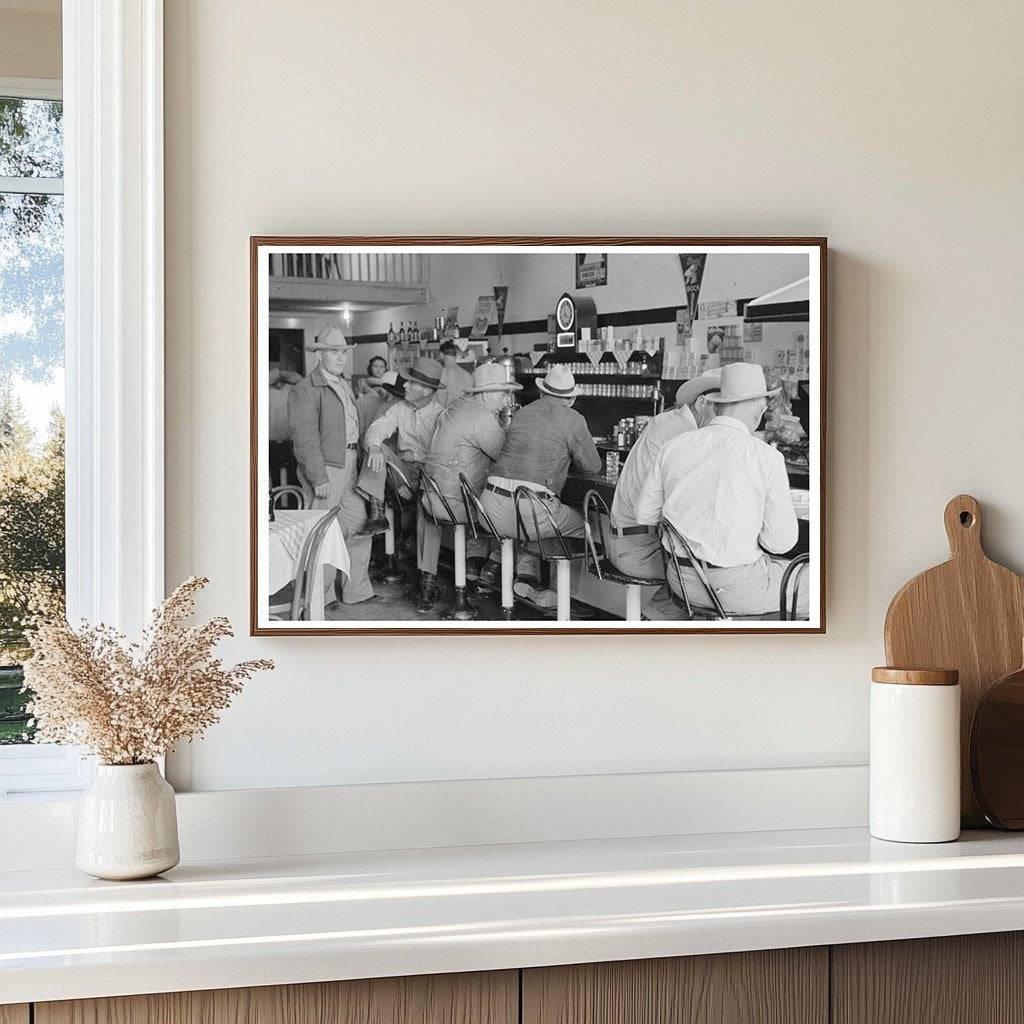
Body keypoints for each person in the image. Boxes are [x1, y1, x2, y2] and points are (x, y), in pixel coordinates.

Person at [635, 362, 804, 618]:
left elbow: (644, 514)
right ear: (757, 406)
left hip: (681, 581)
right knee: (817, 582)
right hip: (735, 588)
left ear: (719, 403)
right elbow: (781, 543)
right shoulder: (765, 456)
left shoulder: (675, 445)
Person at [480, 365, 601, 610]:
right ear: (571, 398)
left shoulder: (523, 412)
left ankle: (527, 577)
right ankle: (558, 596)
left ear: (542, 392)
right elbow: (593, 466)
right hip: (530, 509)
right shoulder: (573, 418)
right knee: (582, 526)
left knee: (531, 524)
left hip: (489, 507)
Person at [287, 327, 383, 608]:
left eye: (343, 352)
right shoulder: (305, 389)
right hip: (327, 468)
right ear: (319, 355)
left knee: (359, 525)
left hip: (350, 463)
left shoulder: (343, 383)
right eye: (334, 352)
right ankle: (321, 594)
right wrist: (318, 477)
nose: (341, 358)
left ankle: (357, 589)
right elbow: (305, 438)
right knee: (323, 533)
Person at [416, 363, 521, 611]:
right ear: (484, 394)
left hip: (432, 498)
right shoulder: (481, 417)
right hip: (456, 504)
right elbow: (505, 455)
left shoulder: (455, 407)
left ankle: (473, 566)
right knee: (518, 514)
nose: (506, 399)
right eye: (502, 393)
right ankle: (494, 569)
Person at [606, 377, 720, 582]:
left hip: (624, 541)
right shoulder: (684, 433)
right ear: (701, 403)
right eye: (719, 410)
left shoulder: (668, 420)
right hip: (640, 550)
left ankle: (657, 606)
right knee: (710, 577)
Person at [359, 355, 446, 509]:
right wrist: (374, 448)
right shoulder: (400, 408)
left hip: (428, 476)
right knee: (377, 448)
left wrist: (415, 486)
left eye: (411, 382)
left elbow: (441, 462)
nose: (405, 385)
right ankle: (376, 512)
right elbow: (379, 427)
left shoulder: (441, 416)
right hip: (402, 469)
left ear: (426, 391)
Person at [438, 339, 473, 406]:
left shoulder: (441, 374)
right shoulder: (467, 375)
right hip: (465, 410)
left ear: (441, 355)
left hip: (448, 411)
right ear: (456, 355)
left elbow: (439, 400)